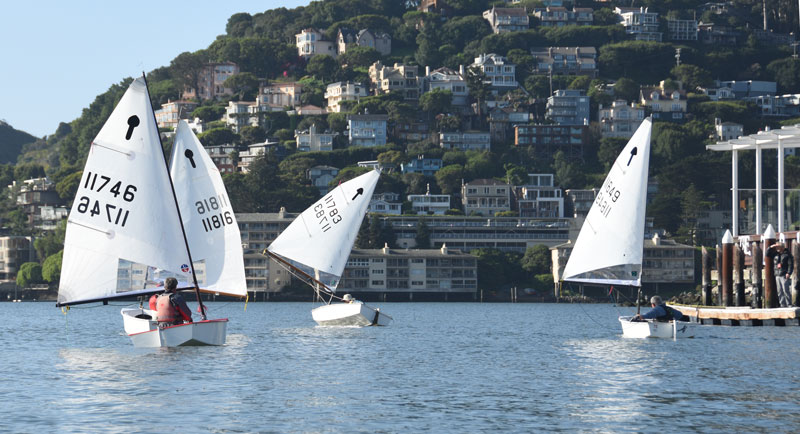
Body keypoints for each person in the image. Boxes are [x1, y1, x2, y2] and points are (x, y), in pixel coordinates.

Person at [766, 242, 794, 307]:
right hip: (777, 274)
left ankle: (789, 304)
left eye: (778, 247)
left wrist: (789, 273)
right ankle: (782, 304)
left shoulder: (787, 254)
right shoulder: (775, 254)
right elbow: (767, 254)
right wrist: (771, 247)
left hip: (784, 274)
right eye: (776, 247)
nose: (777, 248)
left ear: (782, 247)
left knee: (786, 290)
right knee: (779, 291)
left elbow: (790, 264)